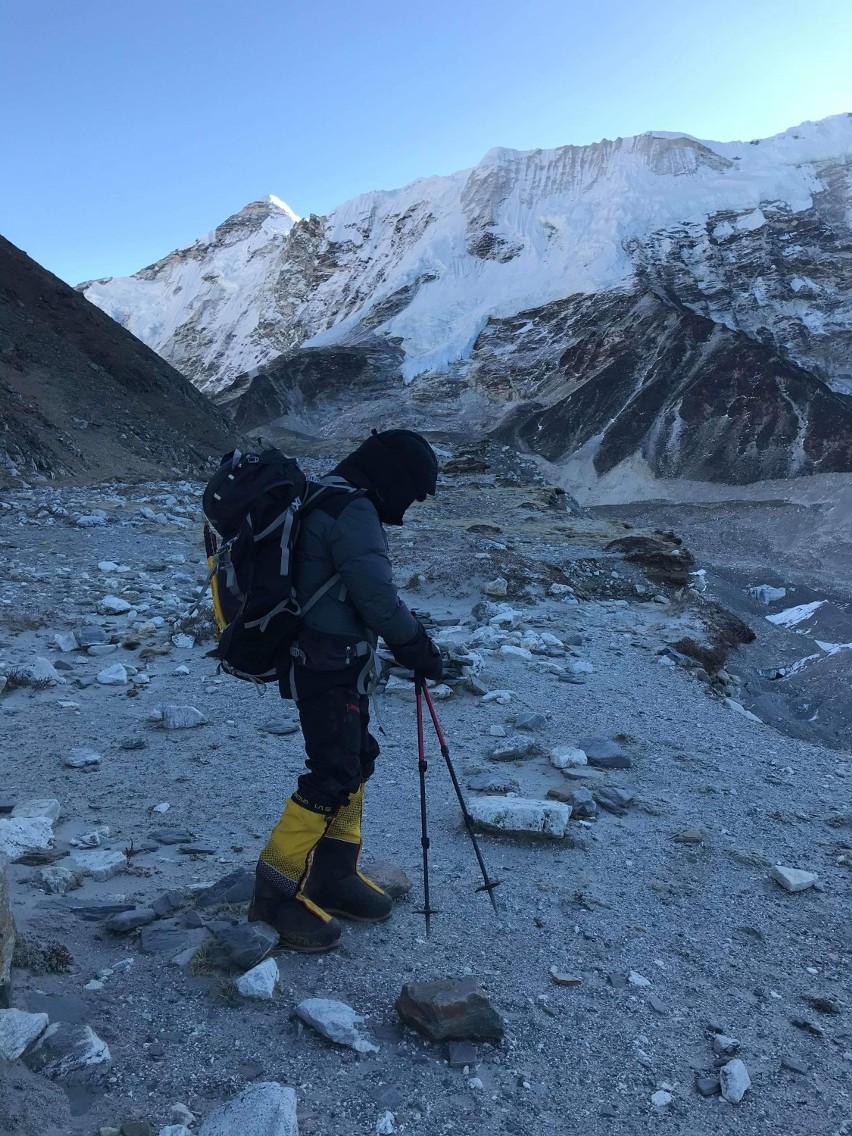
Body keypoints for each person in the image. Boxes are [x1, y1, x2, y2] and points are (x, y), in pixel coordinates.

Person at [248, 429, 444, 951]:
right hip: (326, 666)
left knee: (355, 758)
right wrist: (419, 648)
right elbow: (376, 597)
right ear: (393, 478)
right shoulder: (352, 511)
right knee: (332, 771)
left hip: (334, 661)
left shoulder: (327, 495)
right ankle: (273, 893)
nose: (413, 502)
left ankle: (334, 875)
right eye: (414, 491)